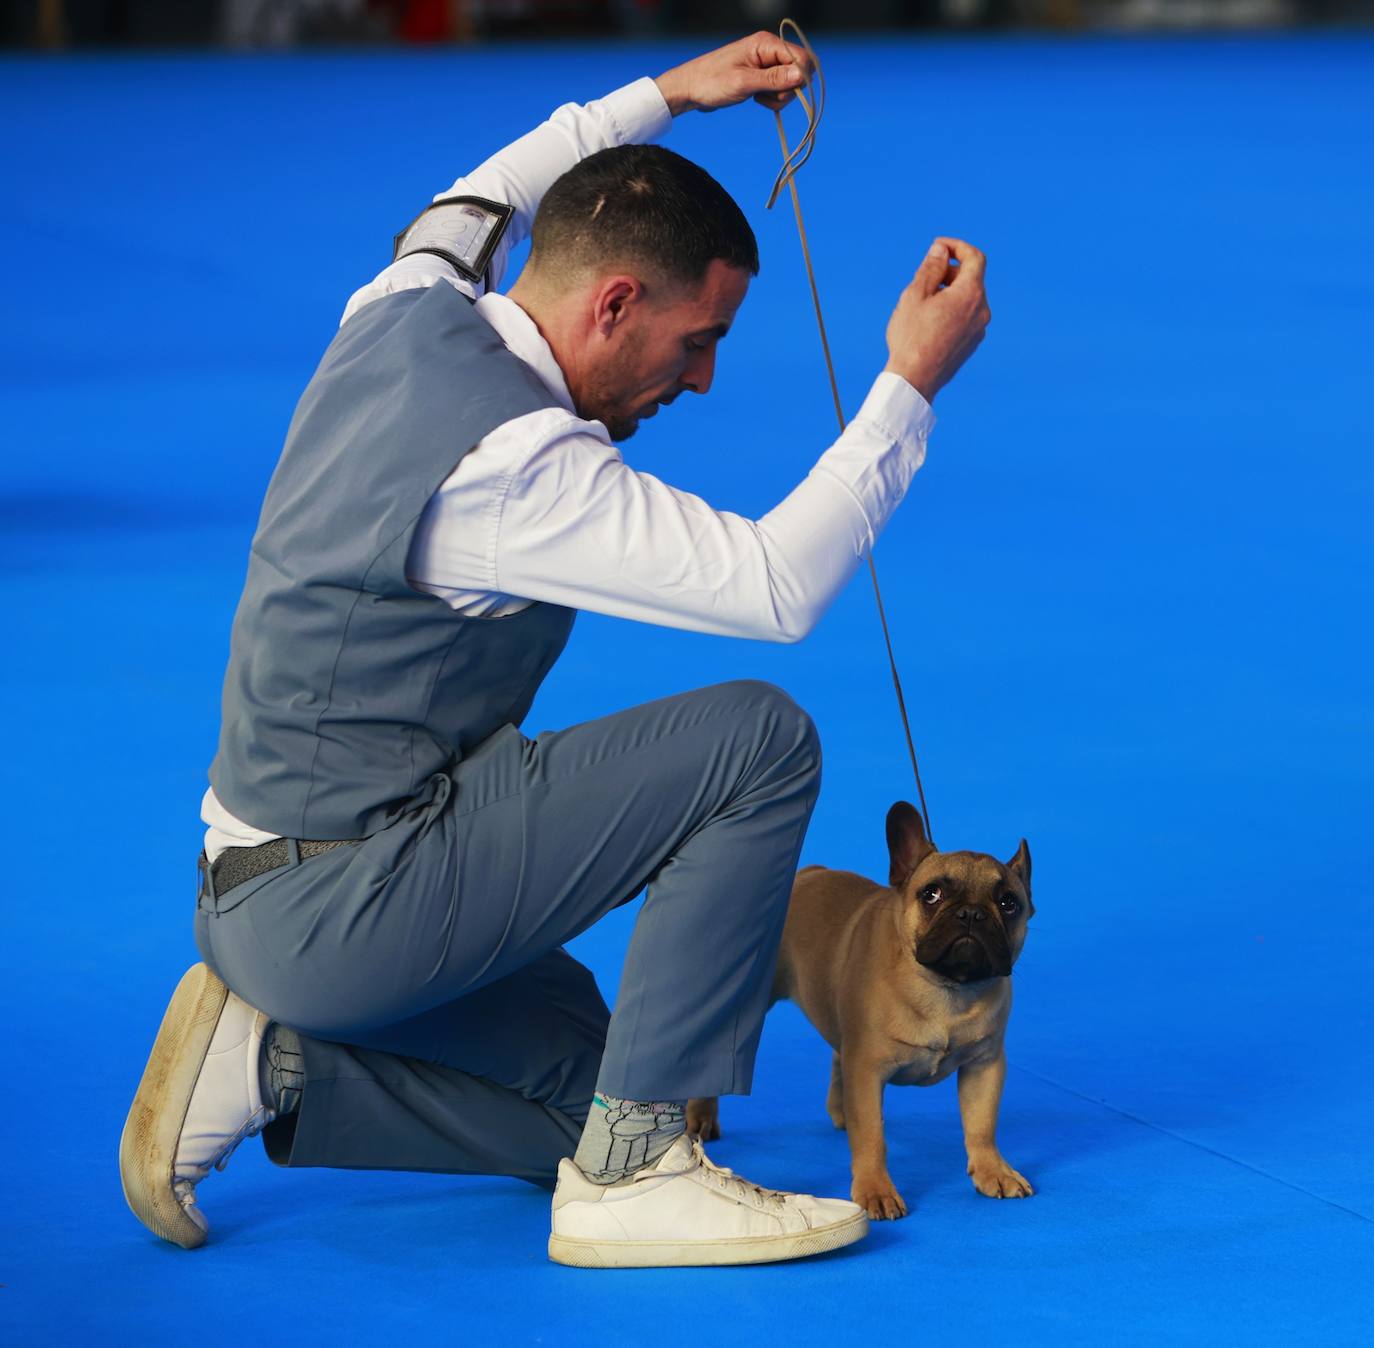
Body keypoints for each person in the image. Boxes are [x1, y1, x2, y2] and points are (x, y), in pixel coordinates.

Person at [119, 30, 991, 1269]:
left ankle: (274, 1061)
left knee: (604, 1068)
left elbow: (481, 196)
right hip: (341, 899)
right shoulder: (515, 468)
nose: (698, 383)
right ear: (617, 302)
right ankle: (635, 1182)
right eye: (700, 342)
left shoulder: (407, 301)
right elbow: (777, 587)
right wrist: (908, 386)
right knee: (758, 738)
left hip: (274, 883)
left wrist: (669, 96)